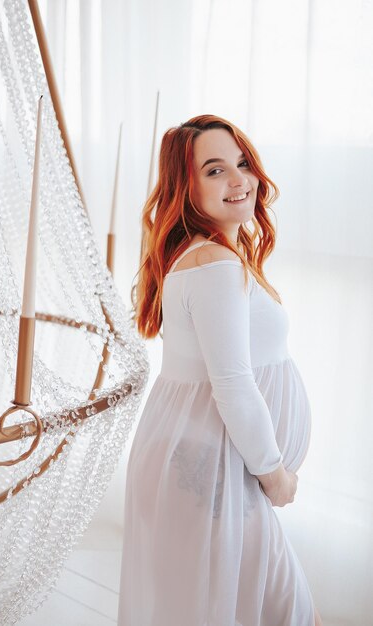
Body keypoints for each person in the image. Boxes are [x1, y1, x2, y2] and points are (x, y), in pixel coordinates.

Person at [117, 114, 323, 626]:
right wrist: (274, 473)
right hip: (212, 472)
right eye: (214, 170)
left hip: (205, 466)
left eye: (242, 163)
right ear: (185, 189)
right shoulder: (214, 264)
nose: (240, 179)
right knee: (284, 612)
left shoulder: (203, 255)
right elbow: (232, 384)